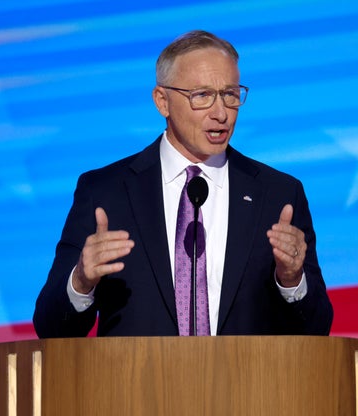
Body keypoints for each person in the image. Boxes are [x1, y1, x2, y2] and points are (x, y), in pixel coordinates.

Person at [33, 30, 333, 338]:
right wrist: (81, 282)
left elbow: (317, 328)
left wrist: (292, 281)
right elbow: (50, 328)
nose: (221, 113)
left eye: (230, 94)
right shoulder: (105, 192)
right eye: (202, 96)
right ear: (162, 101)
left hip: (247, 384)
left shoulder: (278, 195)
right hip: (133, 384)